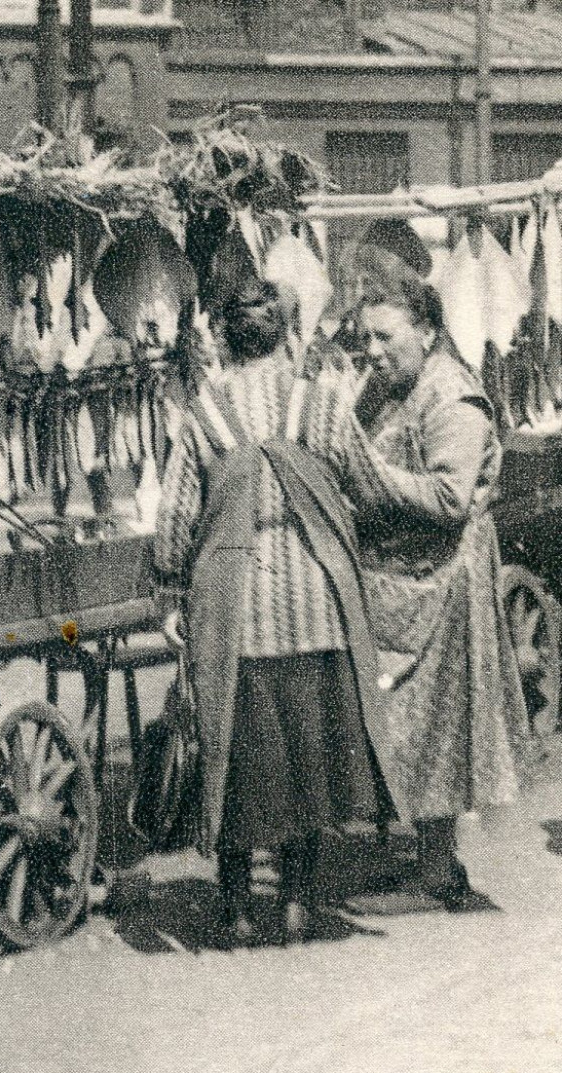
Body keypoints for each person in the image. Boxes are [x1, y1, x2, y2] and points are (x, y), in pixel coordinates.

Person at [154, 270, 392, 944]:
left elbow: (174, 515)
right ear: (285, 335)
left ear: (223, 340)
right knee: (308, 759)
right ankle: (292, 904)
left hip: (235, 615)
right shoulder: (318, 405)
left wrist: (169, 592)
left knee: (237, 757)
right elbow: (368, 485)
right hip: (316, 606)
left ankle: (232, 909)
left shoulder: (203, 414)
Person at [341, 266, 529, 910]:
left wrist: (366, 475)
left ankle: (438, 868)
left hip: (445, 582)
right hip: (399, 580)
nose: (373, 349)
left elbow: (450, 497)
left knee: (434, 722)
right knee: (395, 719)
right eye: (366, 336)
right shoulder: (385, 386)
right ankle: (416, 851)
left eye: (385, 336)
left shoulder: (452, 399)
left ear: (426, 332)